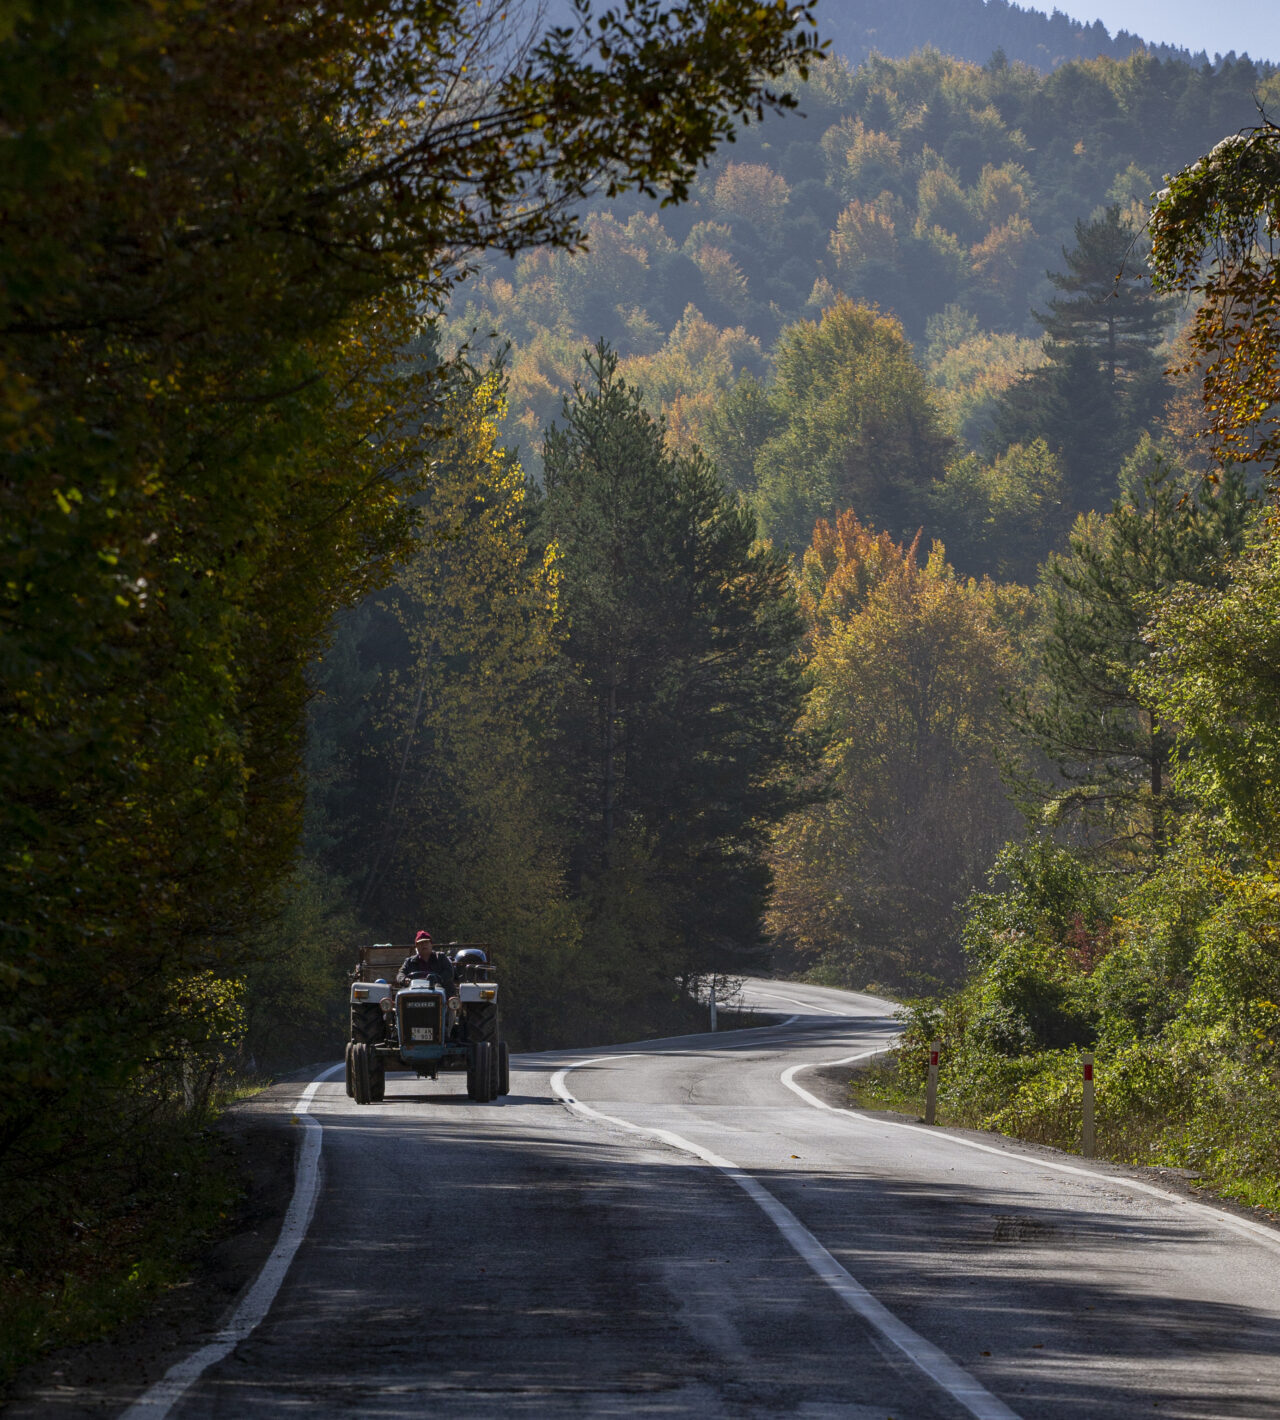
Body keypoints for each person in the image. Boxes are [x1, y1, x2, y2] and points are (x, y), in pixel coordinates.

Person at [399, 930, 456, 995]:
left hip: (440, 993)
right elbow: (401, 973)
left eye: (426, 942)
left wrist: (438, 979)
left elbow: (449, 972)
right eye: (420, 943)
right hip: (415, 993)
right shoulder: (409, 961)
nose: (424, 945)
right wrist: (404, 980)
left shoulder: (441, 957)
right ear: (416, 946)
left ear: (431, 944)